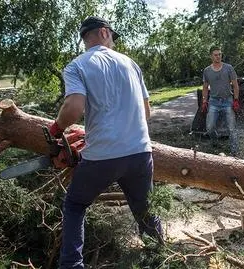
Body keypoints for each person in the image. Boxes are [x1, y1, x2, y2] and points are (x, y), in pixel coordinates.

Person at [49, 16, 162, 268]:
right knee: (145, 211)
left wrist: (56, 129)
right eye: (112, 36)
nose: (112, 41)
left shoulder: (77, 66)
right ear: (103, 32)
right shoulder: (131, 64)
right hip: (140, 153)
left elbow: (74, 107)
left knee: (75, 204)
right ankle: (159, 259)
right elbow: (146, 113)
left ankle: (71, 265)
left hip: (102, 158)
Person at [201, 46, 240, 156]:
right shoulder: (207, 71)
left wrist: (236, 100)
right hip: (214, 102)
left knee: (232, 128)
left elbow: (235, 85)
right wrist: (204, 101)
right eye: (216, 55)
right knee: (209, 128)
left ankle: (235, 152)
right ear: (211, 56)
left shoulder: (228, 68)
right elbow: (205, 87)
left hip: (227, 101)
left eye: (220, 54)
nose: (218, 56)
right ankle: (215, 142)